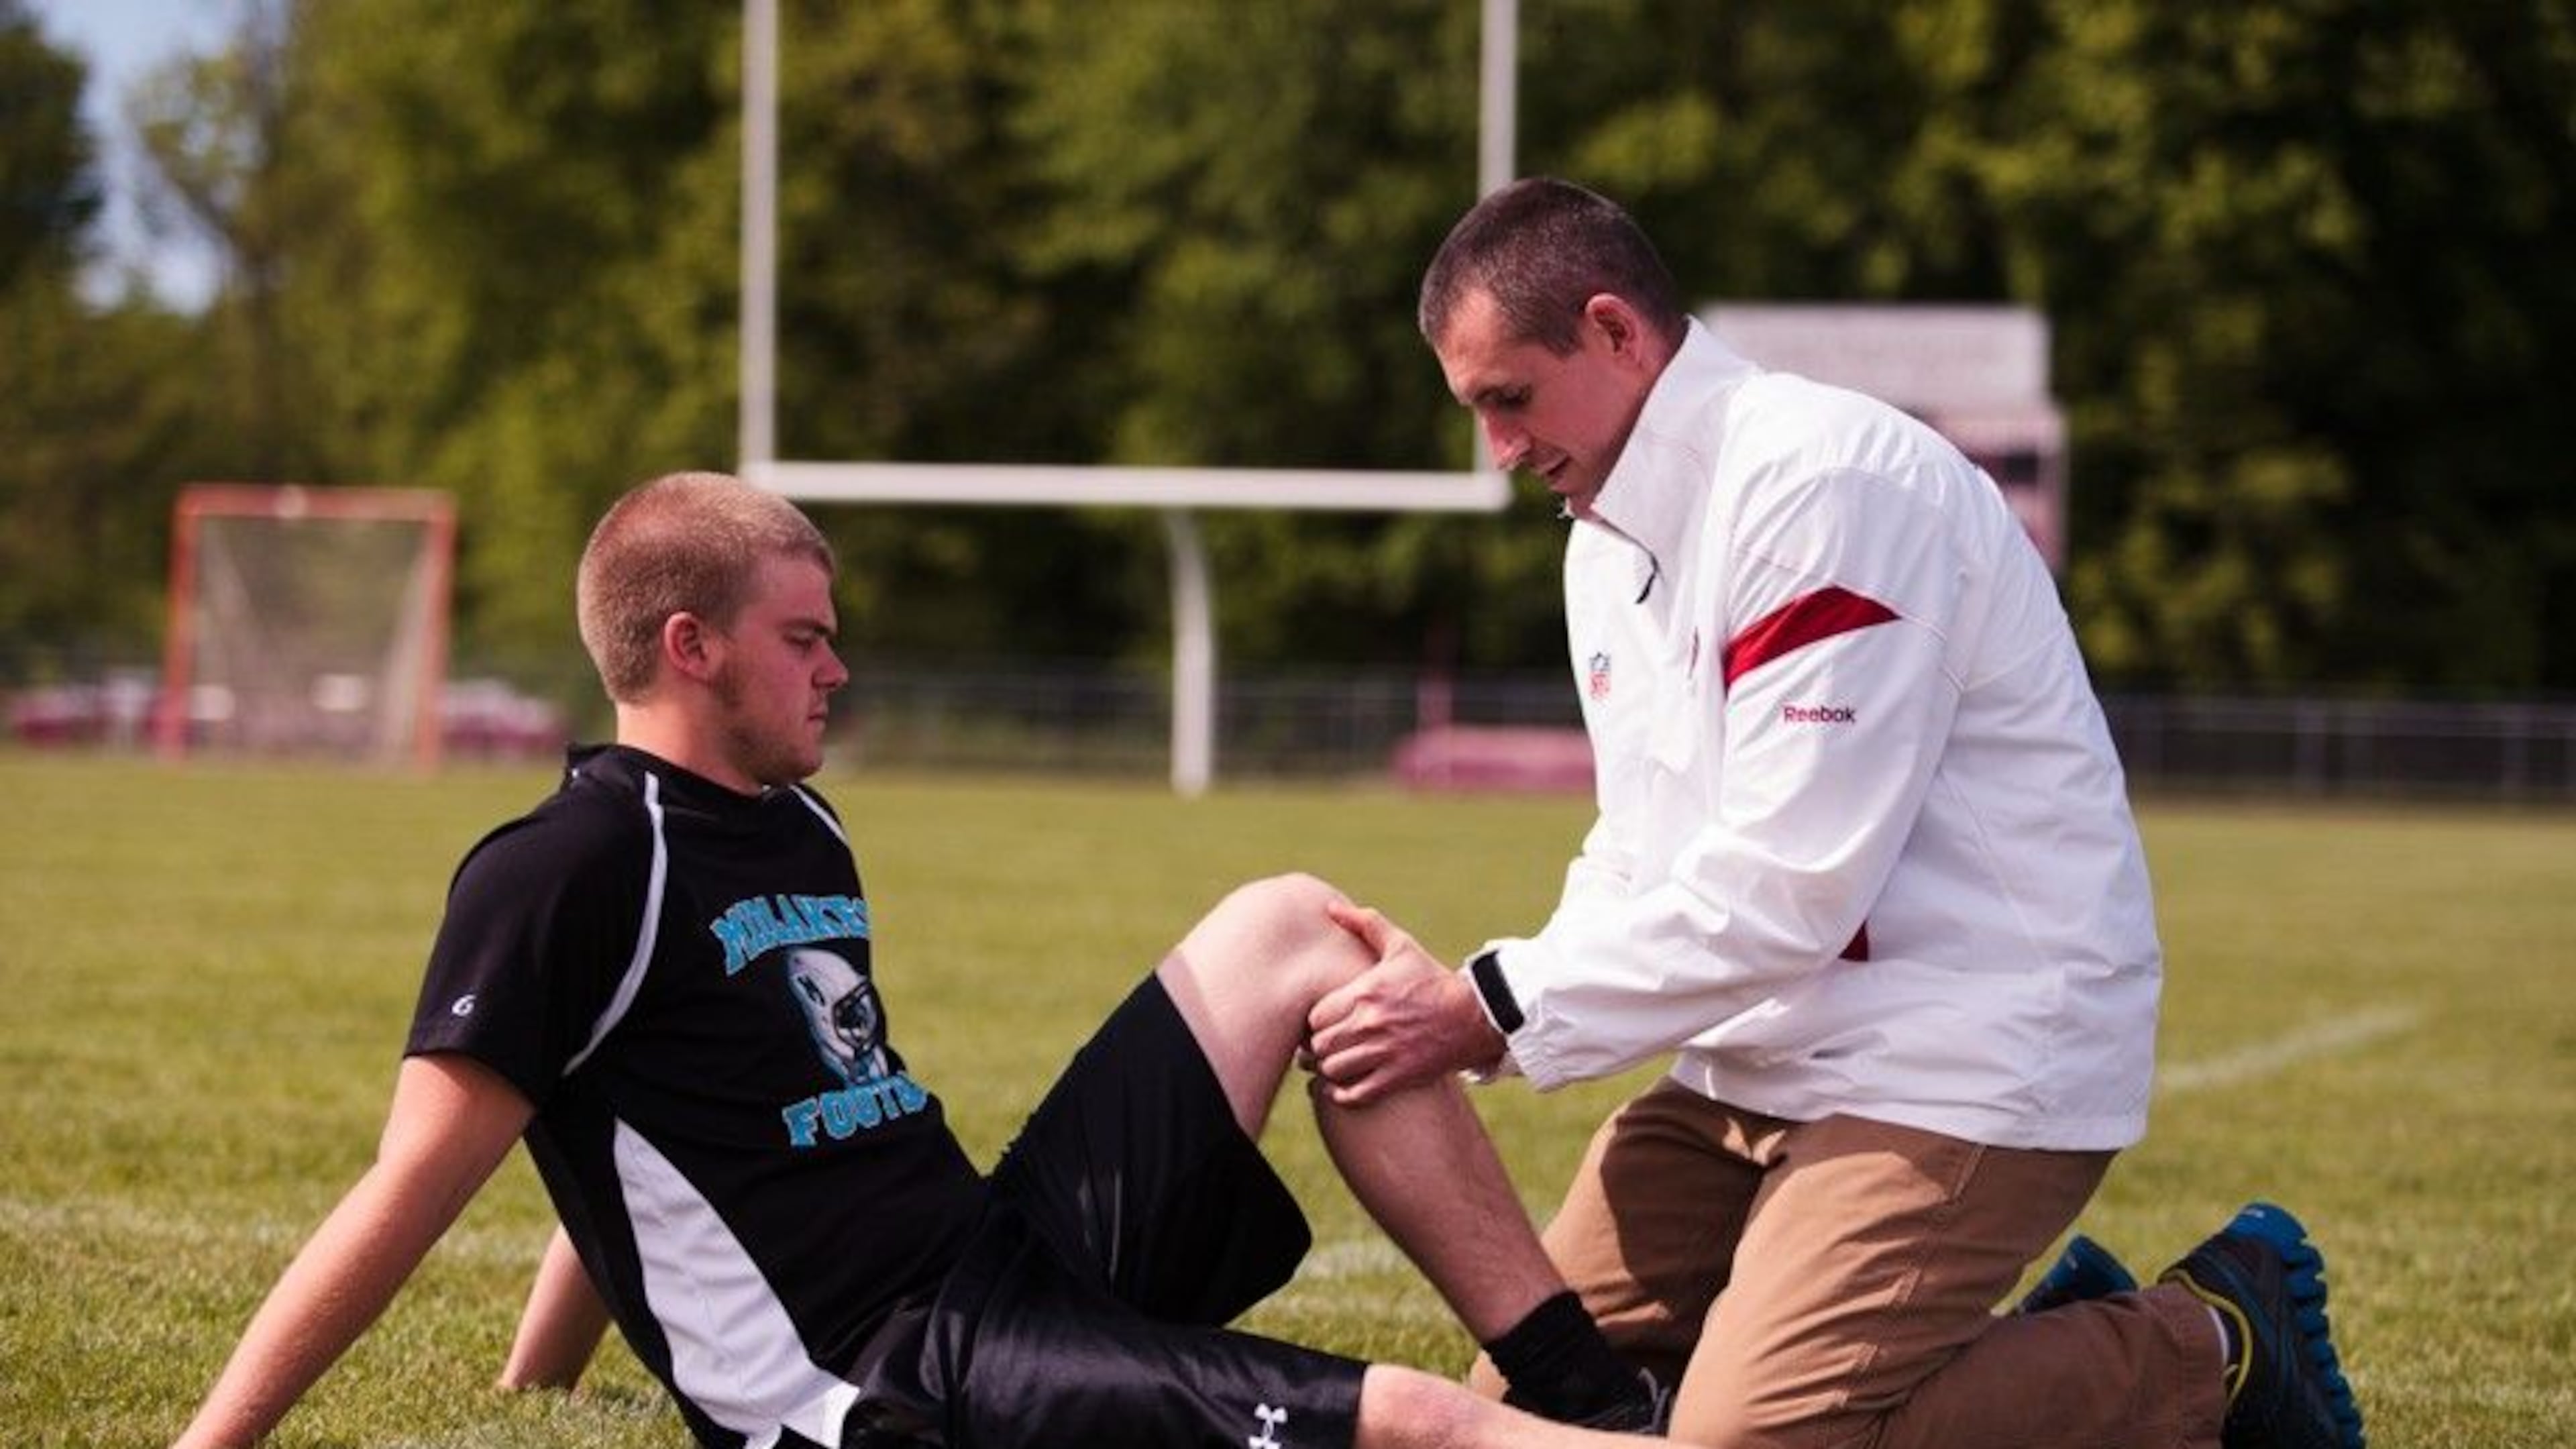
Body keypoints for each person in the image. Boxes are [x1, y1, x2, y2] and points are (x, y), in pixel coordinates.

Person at [170, 470, 1678, 1449]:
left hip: (1000, 1256)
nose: (837, 668)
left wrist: (536, 1385)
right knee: (1413, 1420)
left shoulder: (801, 826)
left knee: (1299, 929)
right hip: (896, 1381)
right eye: (803, 639)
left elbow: (676, 1106)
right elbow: (416, 1185)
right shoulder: (567, 865)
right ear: (691, 646)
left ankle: (1587, 1389)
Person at [1304, 178, 2365, 1449]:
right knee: (1533, 1408)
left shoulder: (1828, 485)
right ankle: (2002, 1356)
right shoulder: (1603, 540)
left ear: (1614, 330)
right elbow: (1642, 851)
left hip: (1960, 1053)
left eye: (1510, 399)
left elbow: (1788, 888)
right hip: (1753, 1058)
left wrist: (1486, 1006)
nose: (1499, 450)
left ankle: (2210, 1343)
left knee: (1745, 1445)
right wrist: (1477, 1006)